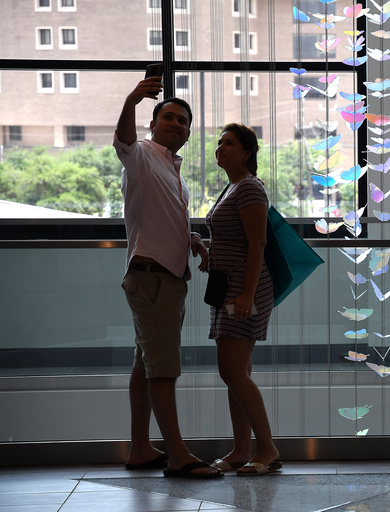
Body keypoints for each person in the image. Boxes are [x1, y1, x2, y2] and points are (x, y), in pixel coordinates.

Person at [115, 76, 221, 479]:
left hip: (165, 278)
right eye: (169, 118)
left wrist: (190, 236)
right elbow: (122, 139)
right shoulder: (141, 154)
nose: (177, 125)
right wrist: (132, 99)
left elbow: (157, 216)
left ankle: (141, 447)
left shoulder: (171, 170)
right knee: (163, 370)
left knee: (146, 366)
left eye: (183, 121)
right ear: (153, 124)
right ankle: (178, 455)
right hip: (152, 278)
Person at [204, 123, 281, 476]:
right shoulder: (232, 187)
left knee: (232, 370)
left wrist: (247, 293)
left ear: (247, 152)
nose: (221, 148)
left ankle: (266, 449)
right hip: (231, 286)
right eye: (219, 142)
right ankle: (240, 449)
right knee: (238, 372)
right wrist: (206, 251)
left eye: (229, 143)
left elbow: (258, 244)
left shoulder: (249, 188)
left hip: (243, 290)